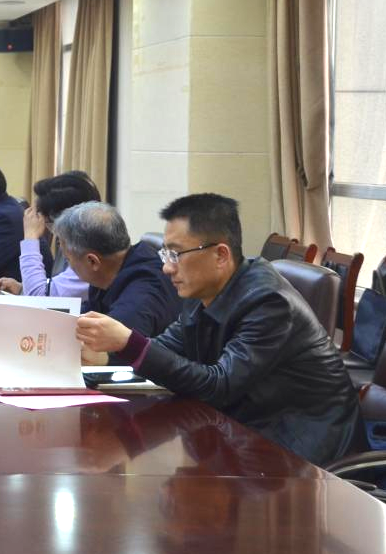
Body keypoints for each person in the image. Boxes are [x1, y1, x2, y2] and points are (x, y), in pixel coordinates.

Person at [76, 193, 361, 466]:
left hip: (302, 451)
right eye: (166, 254)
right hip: (243, 436)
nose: (167, 268)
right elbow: (166, 348)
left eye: (176, 254)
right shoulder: (202, 291)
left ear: (221, 255)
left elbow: (219, 387)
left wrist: (128, 343)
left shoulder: (269, 303)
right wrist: (105, 355)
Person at [53, 201, 180, 337]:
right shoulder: (109, 271)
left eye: (68, 259)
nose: (70, 266)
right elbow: (89, 313)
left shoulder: (137, 302)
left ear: (92, 261)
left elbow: (107, 346)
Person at [0, 171, 101, 299]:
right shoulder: (75, 240)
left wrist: (30, 237)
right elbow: (54, 291)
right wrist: (22, 289)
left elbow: (39, 297)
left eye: (46, 221)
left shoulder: (90, 253)